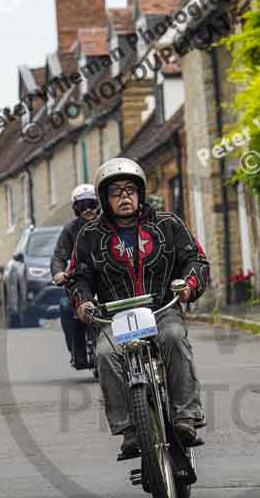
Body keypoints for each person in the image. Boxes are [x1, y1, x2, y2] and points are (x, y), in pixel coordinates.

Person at [67, 158, 210, 457]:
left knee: (173, 337)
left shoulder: (168, 223)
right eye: (116, 191)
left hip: (161, 307)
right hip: (113, 316)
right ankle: (130, 430)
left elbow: (195, 259)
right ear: (105, 198)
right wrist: (84, 301)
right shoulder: (89, 236)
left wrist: (188, 285)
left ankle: (186, 416)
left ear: (140, 193)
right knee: (105, 356)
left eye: (130, 190)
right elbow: (78, 276)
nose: (124, 197)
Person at [51, 184, 99, 367]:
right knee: (65, 306)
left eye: (91, 204)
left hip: (107, 280)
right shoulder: (70, 230)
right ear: (75, 209)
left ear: (99, 204)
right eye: (82, 206)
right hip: (79, 280)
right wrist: (58, 273)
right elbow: (59, 255)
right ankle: (76, 351)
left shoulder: (109, 224)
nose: (87, 210)